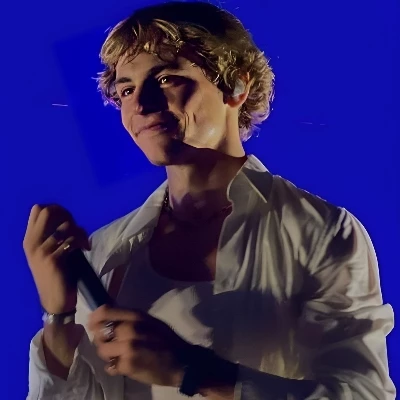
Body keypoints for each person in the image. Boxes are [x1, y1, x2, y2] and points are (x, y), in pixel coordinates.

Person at [24, 1, 395, 399]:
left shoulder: (320, 232)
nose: (141, 104)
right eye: (126, 89)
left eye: (166, 78)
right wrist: (58, 316)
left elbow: (363, 393)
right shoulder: (105, 251)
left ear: (237, 86)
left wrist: (192, 371)